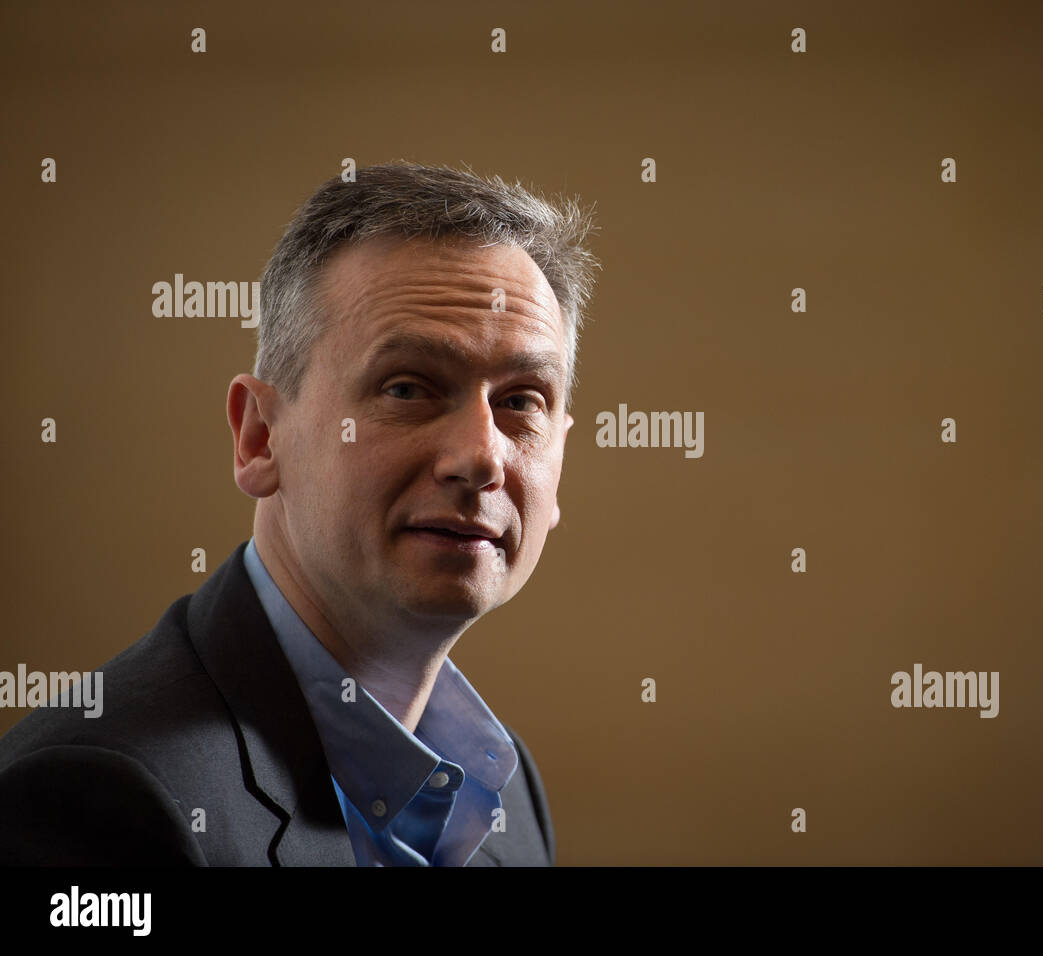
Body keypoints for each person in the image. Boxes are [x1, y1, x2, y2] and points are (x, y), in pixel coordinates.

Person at [0, 161, 601, 866]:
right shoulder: (98, 804)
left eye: (522, 401)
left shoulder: (507, 789)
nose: (481, 457)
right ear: (260, 436)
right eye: (407, 387)